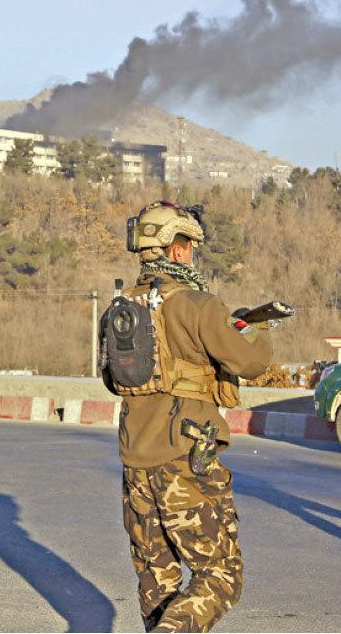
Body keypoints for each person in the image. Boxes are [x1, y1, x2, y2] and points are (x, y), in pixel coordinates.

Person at [101, 201, 274, 632]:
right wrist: (256, 327)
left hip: (135, 458)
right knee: (220, 575)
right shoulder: (197, 304)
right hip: (185, 454)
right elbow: (251, 362)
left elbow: (110, 379)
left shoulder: (119, 309)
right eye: (190, 247)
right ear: (177, 249)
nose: (192, 255)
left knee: (156, 578)